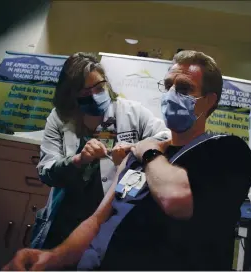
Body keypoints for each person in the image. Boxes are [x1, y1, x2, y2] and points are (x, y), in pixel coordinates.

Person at [4, 50, 251, 271]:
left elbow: (175, 199)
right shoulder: (135, 159)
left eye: (183, 88)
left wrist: (146, 151)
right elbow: (97, 220)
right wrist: (51, 257)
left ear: (209, 100)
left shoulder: (226, 150)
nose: (169, 96)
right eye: (166, 85)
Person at [30, 52, 170, 251]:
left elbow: (166, 138)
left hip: (110, 219)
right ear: (71, 95)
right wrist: (78, 160)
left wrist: (133, 150)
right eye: (86, 93)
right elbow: (46, 172)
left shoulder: (131, 112)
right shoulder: (59, 118)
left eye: (99, 87)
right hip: (65, 219)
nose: (95, 96)